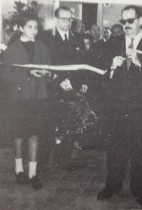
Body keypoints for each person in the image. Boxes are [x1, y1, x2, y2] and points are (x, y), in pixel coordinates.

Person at [97, 5, 142, 205]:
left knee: (140, 150)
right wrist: (111, 67)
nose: (126, 25)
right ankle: (112, 185)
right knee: (115, 149)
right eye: (124, 21)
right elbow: (102, 76)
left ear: (140, 21)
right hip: (117, 107)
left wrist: (140, 63)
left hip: (141, 107)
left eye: (130, 21)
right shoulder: (113, 43)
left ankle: (139, 189)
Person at [2, 14, 51, 190]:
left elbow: (48, 70)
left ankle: (33, 174)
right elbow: (6, 76)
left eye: (36, 27)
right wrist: (29, 74)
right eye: (30, 27)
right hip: (19, 97)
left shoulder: (43, 48)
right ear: (22, 28)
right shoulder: (12, 49)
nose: (34, 30)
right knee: (19, 134)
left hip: (38, 96)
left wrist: (49, 74)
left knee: (34, 134)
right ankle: (19, 170)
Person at [48, 6, 88, 171]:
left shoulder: (78, 39)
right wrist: (58, 80)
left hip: (72, 86)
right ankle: (47, 160)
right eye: (64, 19)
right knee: (53, 123)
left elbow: (83, 62)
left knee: (69, 124)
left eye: (70, 19)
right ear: (56, 20)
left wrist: (82, 81)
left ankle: (64, 160)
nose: (67, 22)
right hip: (53, 87)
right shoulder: (47, 38)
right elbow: (46, 64)